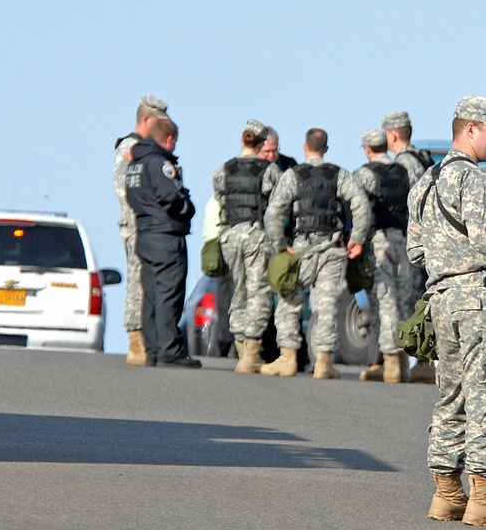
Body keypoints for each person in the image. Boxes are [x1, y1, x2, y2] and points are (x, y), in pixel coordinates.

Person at [406, 95, 486, 527]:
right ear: (470, 129)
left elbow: (416, 251)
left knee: (452, 396)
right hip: (481, 300)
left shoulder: (423, 183)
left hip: (443, 302)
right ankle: (484, 498)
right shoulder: (475, 181)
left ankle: (446, 494)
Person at [261, 127, 371, 379]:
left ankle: (287, 358)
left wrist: (280, 245)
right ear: (327, 149)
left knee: (289, 302)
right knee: (327, 304)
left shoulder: (293, 175)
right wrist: (357, 238)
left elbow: (273, 212)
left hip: (302, 249)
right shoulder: (339, 175)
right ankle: (323, 362)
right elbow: (361, 205)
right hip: (333, 250)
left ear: (304, 147)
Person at [125, 117, 200, 368]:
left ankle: (154, 349)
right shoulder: (159, 163)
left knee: (151, 295)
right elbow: (171, 197)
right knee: (169, 293)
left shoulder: (135, 165)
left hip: (144, 233)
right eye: (175, 141)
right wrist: (187, 205)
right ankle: (170, 350)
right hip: (165, 236)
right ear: (169, 139)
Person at [212, 119, 282, 374]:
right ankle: (251, 350)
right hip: (255, 235)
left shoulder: (224, 169)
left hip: (230, 235)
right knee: (258, 292)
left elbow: (220, 197)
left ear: (243, 139)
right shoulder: (269, 171)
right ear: (262, 142)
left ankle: (241, 346)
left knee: (238, 291)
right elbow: (278, 205)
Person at [352, 127, 412, 383]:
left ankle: (391, 365)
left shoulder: (364, 174)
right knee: (401, 302)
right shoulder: (403, 171)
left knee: (385, 302)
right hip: (403, 241)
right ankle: (402, 362)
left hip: (379, 242)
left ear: (367, 149)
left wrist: (355, 240)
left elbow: (357, 209)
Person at [113, 94, 169, 366]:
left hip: (150, 225)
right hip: (137, 223)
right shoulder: (132, 148)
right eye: (158, 122)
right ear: (147, 119)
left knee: (148, 282)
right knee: (138, 281)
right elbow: (125, 191)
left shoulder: (149, 150)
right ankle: (137, 340)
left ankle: (150, 338)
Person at [383, 109, 435, 384]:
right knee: (422, 300)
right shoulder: (424, 158)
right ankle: (423, 362)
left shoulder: (403, 165)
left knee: (405, 300)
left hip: (411, 240)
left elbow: (413, 207)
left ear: (392, 135)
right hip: (432, 242)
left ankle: (403, 360)